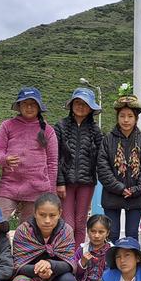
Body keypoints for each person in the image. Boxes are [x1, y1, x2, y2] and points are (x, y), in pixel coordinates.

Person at [0, 87, 58, 223]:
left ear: (39, 107)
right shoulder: (7, 126)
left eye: (33, 104)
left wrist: (51, 192)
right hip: (8, 186)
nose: (29, 107)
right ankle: (1, 246)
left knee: (28, 230)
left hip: (37, 189)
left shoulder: (48, 130)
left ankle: (21, 245)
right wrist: (5, 159)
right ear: (19, 106)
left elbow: (52, 163)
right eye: (25, 104)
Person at [97, 83, 141, 242]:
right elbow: (103, 167)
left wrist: (137, 188)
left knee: (131, 234)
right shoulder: (107, 140)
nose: (126, 120)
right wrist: (119, 188)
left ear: (136, 118)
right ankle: (112, 263)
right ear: (117, 117)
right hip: (112, 193)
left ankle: (132, 264)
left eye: (130, 116)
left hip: (136, 195)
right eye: (122, 116)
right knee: (112, 233)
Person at [54, 88, 104, 245]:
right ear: (71, 105)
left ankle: (78, 259)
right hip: (66, 183)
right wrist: (60, 182)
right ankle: (66, 257)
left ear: (91, 108)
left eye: (85, 104)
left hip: (87, 182)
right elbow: (55, 155)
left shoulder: (96, 130)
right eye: (77, 102)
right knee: (68, 223)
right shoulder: (60, 126)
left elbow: (101, 157)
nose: (80, 106)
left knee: (81, 222)